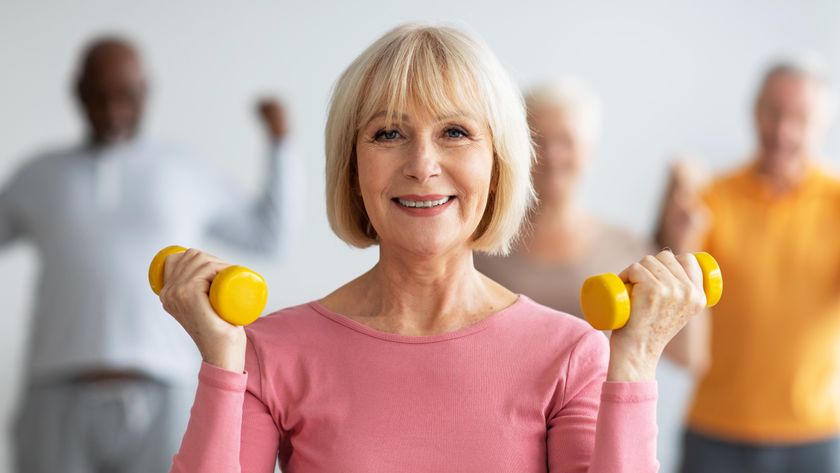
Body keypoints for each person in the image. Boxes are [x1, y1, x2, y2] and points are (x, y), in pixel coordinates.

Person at [161, 24, 705, 473]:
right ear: (353, 171)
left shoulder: (571, 355)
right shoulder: (271, 350)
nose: (422, 165)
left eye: (455, 132)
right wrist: (220, 361)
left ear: (498, 168)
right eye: (389, 134)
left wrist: (633, 362)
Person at [2, 37, 302, 473]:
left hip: (165, 393)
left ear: (145, 92)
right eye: (98, 96)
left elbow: (268, 235)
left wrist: (281, 145)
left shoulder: (183, 168)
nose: (111, 109)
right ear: (78, 92)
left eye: (124, 95)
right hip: (56, 393)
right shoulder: (40, 174)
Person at [658, 57, 840, 473]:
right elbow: (681, 321)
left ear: (823, 125)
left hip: (816, 434)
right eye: (773, 113)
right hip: (714, 430)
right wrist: (678, 232)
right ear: (755, 111)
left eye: (800, 118)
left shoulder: (838, 202)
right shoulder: (710, 199)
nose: (783, 131)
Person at [475, 79, 652, 317]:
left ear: (591, 150)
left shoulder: (626, 248)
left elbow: (687, 352)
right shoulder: (482, 241)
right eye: (538, 141)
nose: (553, 155)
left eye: (566, 141)